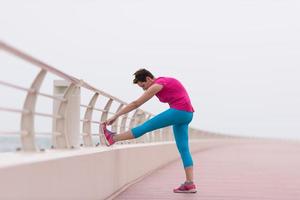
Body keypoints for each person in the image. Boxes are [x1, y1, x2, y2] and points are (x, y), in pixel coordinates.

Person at [101, 68, 196, 193]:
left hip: (179, 111)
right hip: (187, 114)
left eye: (143, 85)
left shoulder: (157, 85)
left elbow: (136, 103)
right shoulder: (163, 81)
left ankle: (112, 138)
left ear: (148, 79)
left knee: (146, 126)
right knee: (184, 149)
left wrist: (115, 116)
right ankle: (190, 184)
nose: (144, 89)